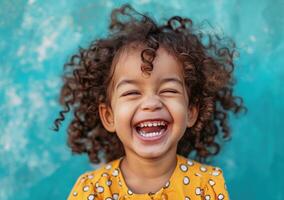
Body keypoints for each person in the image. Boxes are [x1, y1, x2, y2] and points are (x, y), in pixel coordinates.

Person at [53, 3, 246, 200]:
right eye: (132, 93)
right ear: (109, 116)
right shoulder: (92, 190)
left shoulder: (207, 184)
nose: (151, 103)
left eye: (169, 90)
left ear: (190, 112)